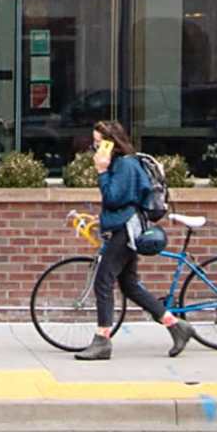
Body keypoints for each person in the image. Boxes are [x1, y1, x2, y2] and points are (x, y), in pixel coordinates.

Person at [76, 119, 191, 361]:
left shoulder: (125, 165)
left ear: (110, 144)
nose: (94, 149)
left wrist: (102, 171)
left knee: (103, 282)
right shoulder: (123, 164)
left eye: (98, 144)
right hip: (123, 226)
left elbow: (114, 198)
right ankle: (175, 325)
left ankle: (102, 340)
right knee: (129, 286)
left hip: (125, 230)